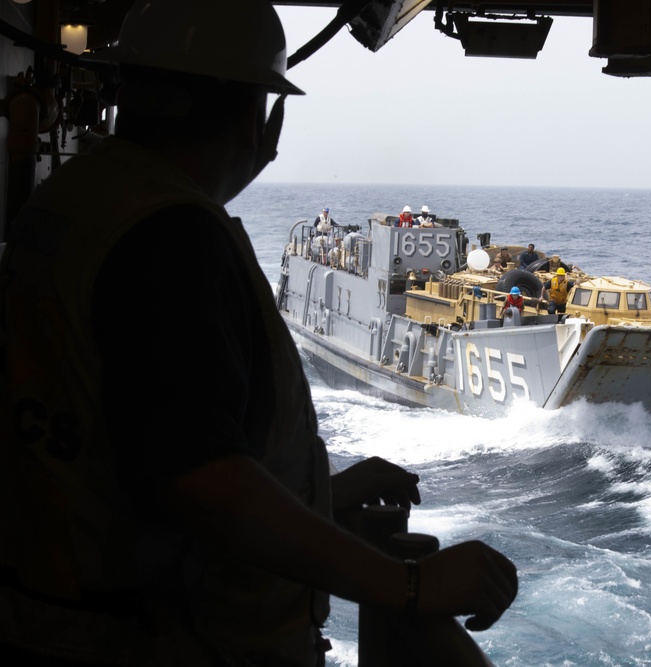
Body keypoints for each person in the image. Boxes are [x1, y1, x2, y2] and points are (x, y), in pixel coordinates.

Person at [0, 1, 517, 665]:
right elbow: (201, 479)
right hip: (157, 639)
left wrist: (323, 490)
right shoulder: (172, 235)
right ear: (257, 117)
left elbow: (131, 430)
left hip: (53, 613)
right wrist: (408, 582)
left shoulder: (75, 200)